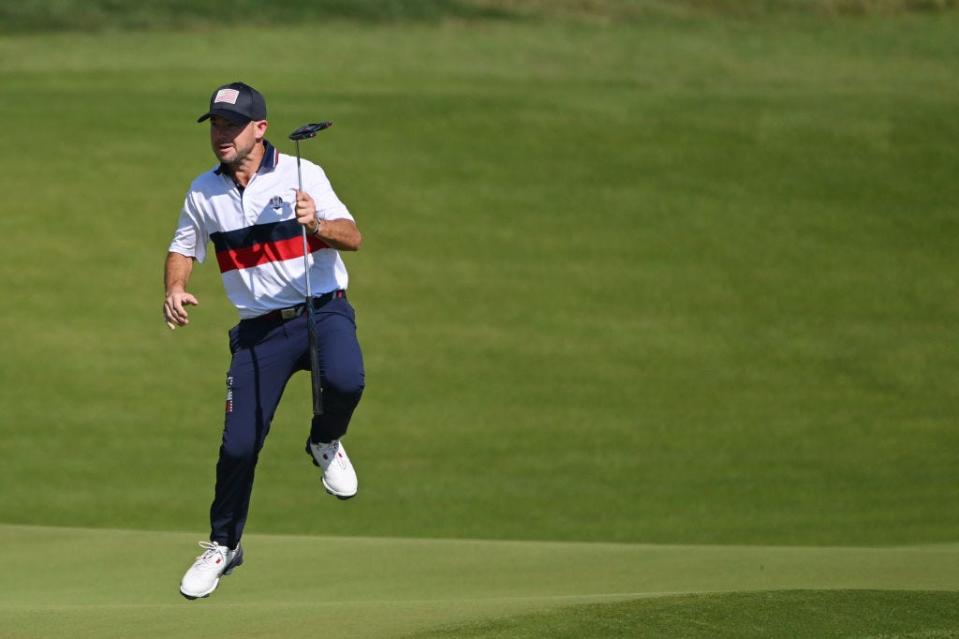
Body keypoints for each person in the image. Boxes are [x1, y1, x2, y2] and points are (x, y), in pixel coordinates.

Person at [164, 82, 365, 600]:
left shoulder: (303, 173)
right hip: (258, 331)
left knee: (345, 380)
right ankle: (223, 545)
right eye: (215, 125)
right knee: (238, 446)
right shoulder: (202, 191)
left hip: (322, 308)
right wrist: (176, 287)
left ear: (260, 129)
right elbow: (183, 247)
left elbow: (353, 236)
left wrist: (315, 221)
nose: (221, 135)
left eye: (231, 125)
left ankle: (324, 439)